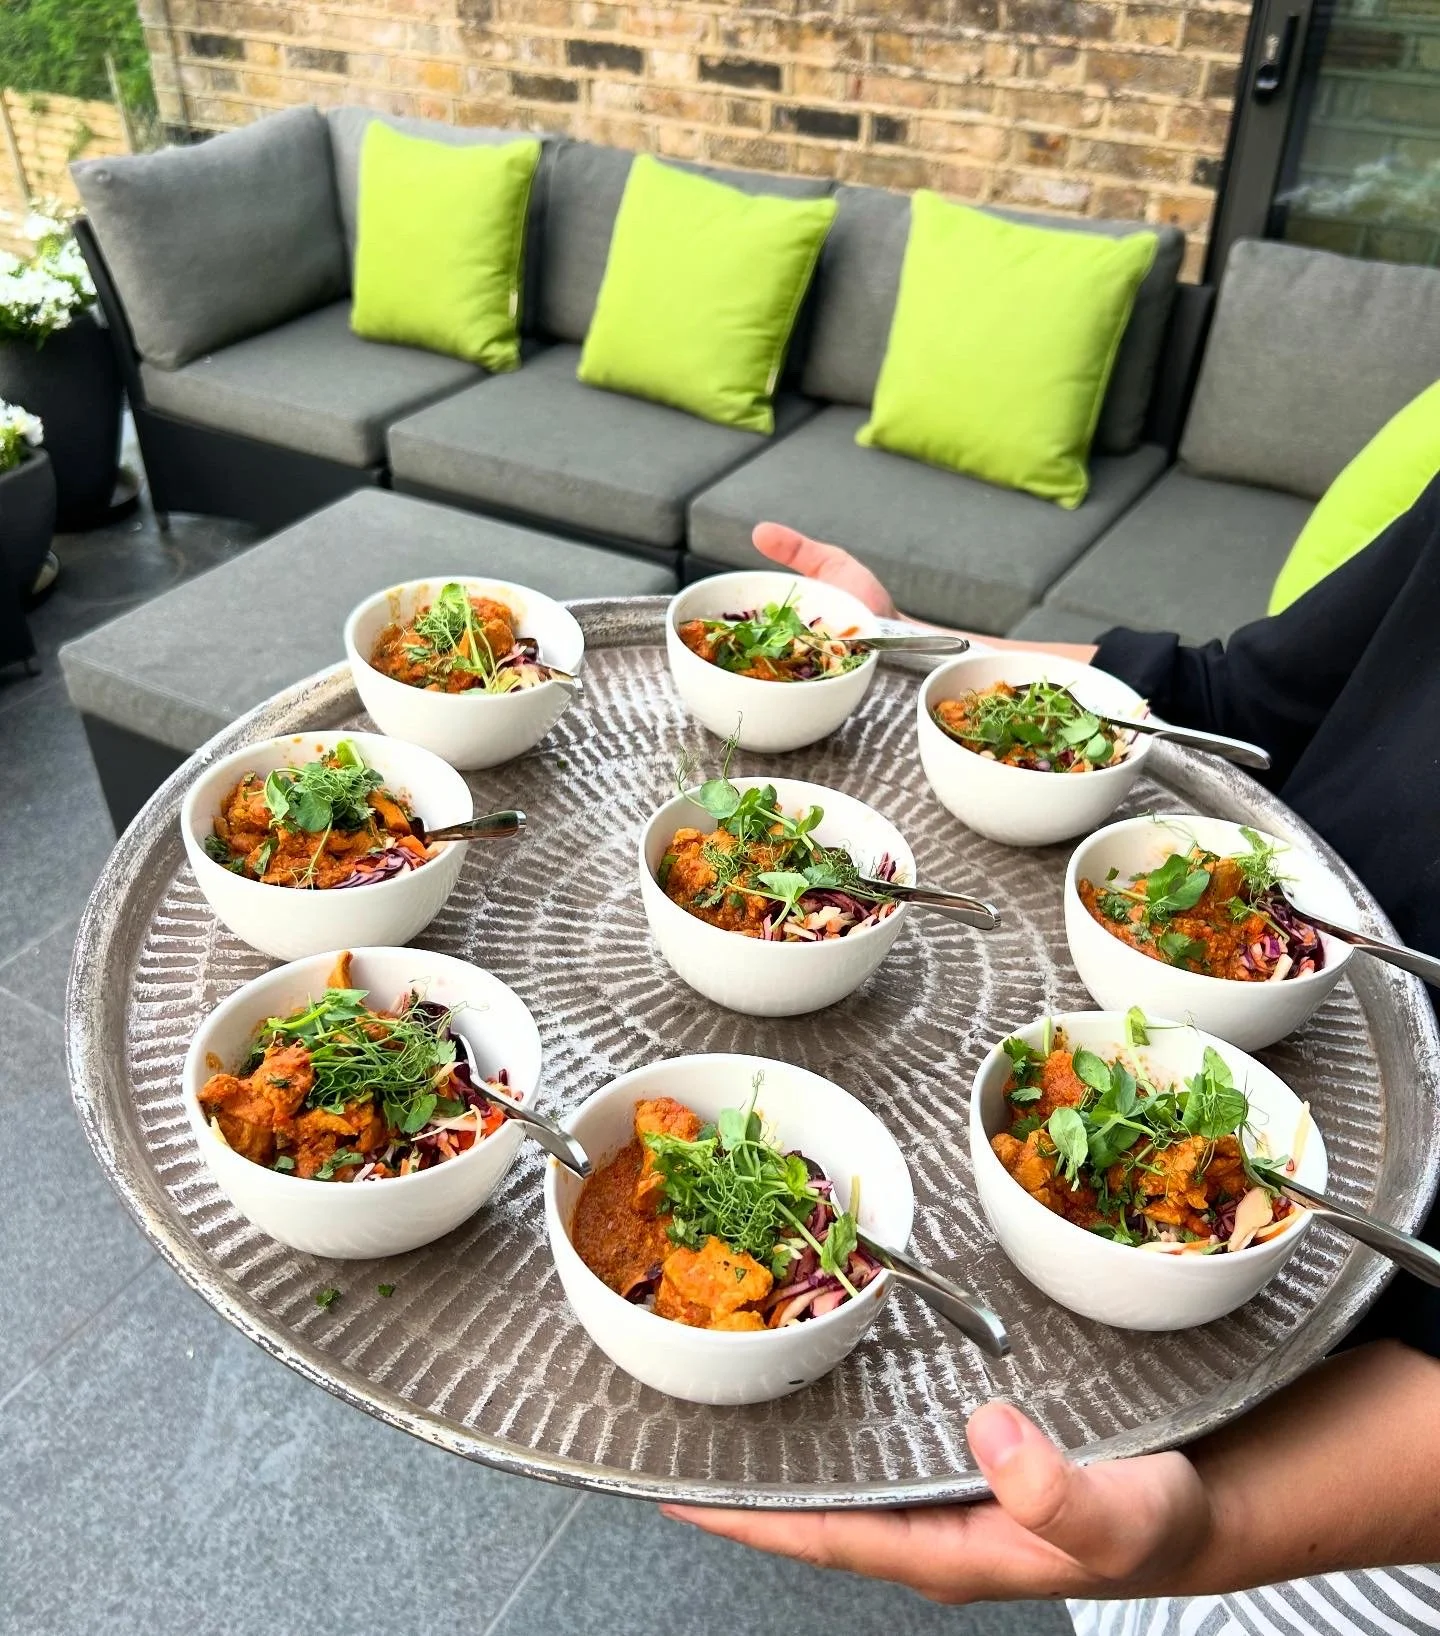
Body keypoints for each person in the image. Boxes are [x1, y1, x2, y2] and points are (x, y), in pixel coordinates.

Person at [661, 490, 1440, 1632]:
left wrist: (1218, 1520)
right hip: (1208, 1202)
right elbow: (1228, 700)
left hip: (1364, 1516)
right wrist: (903, 643)